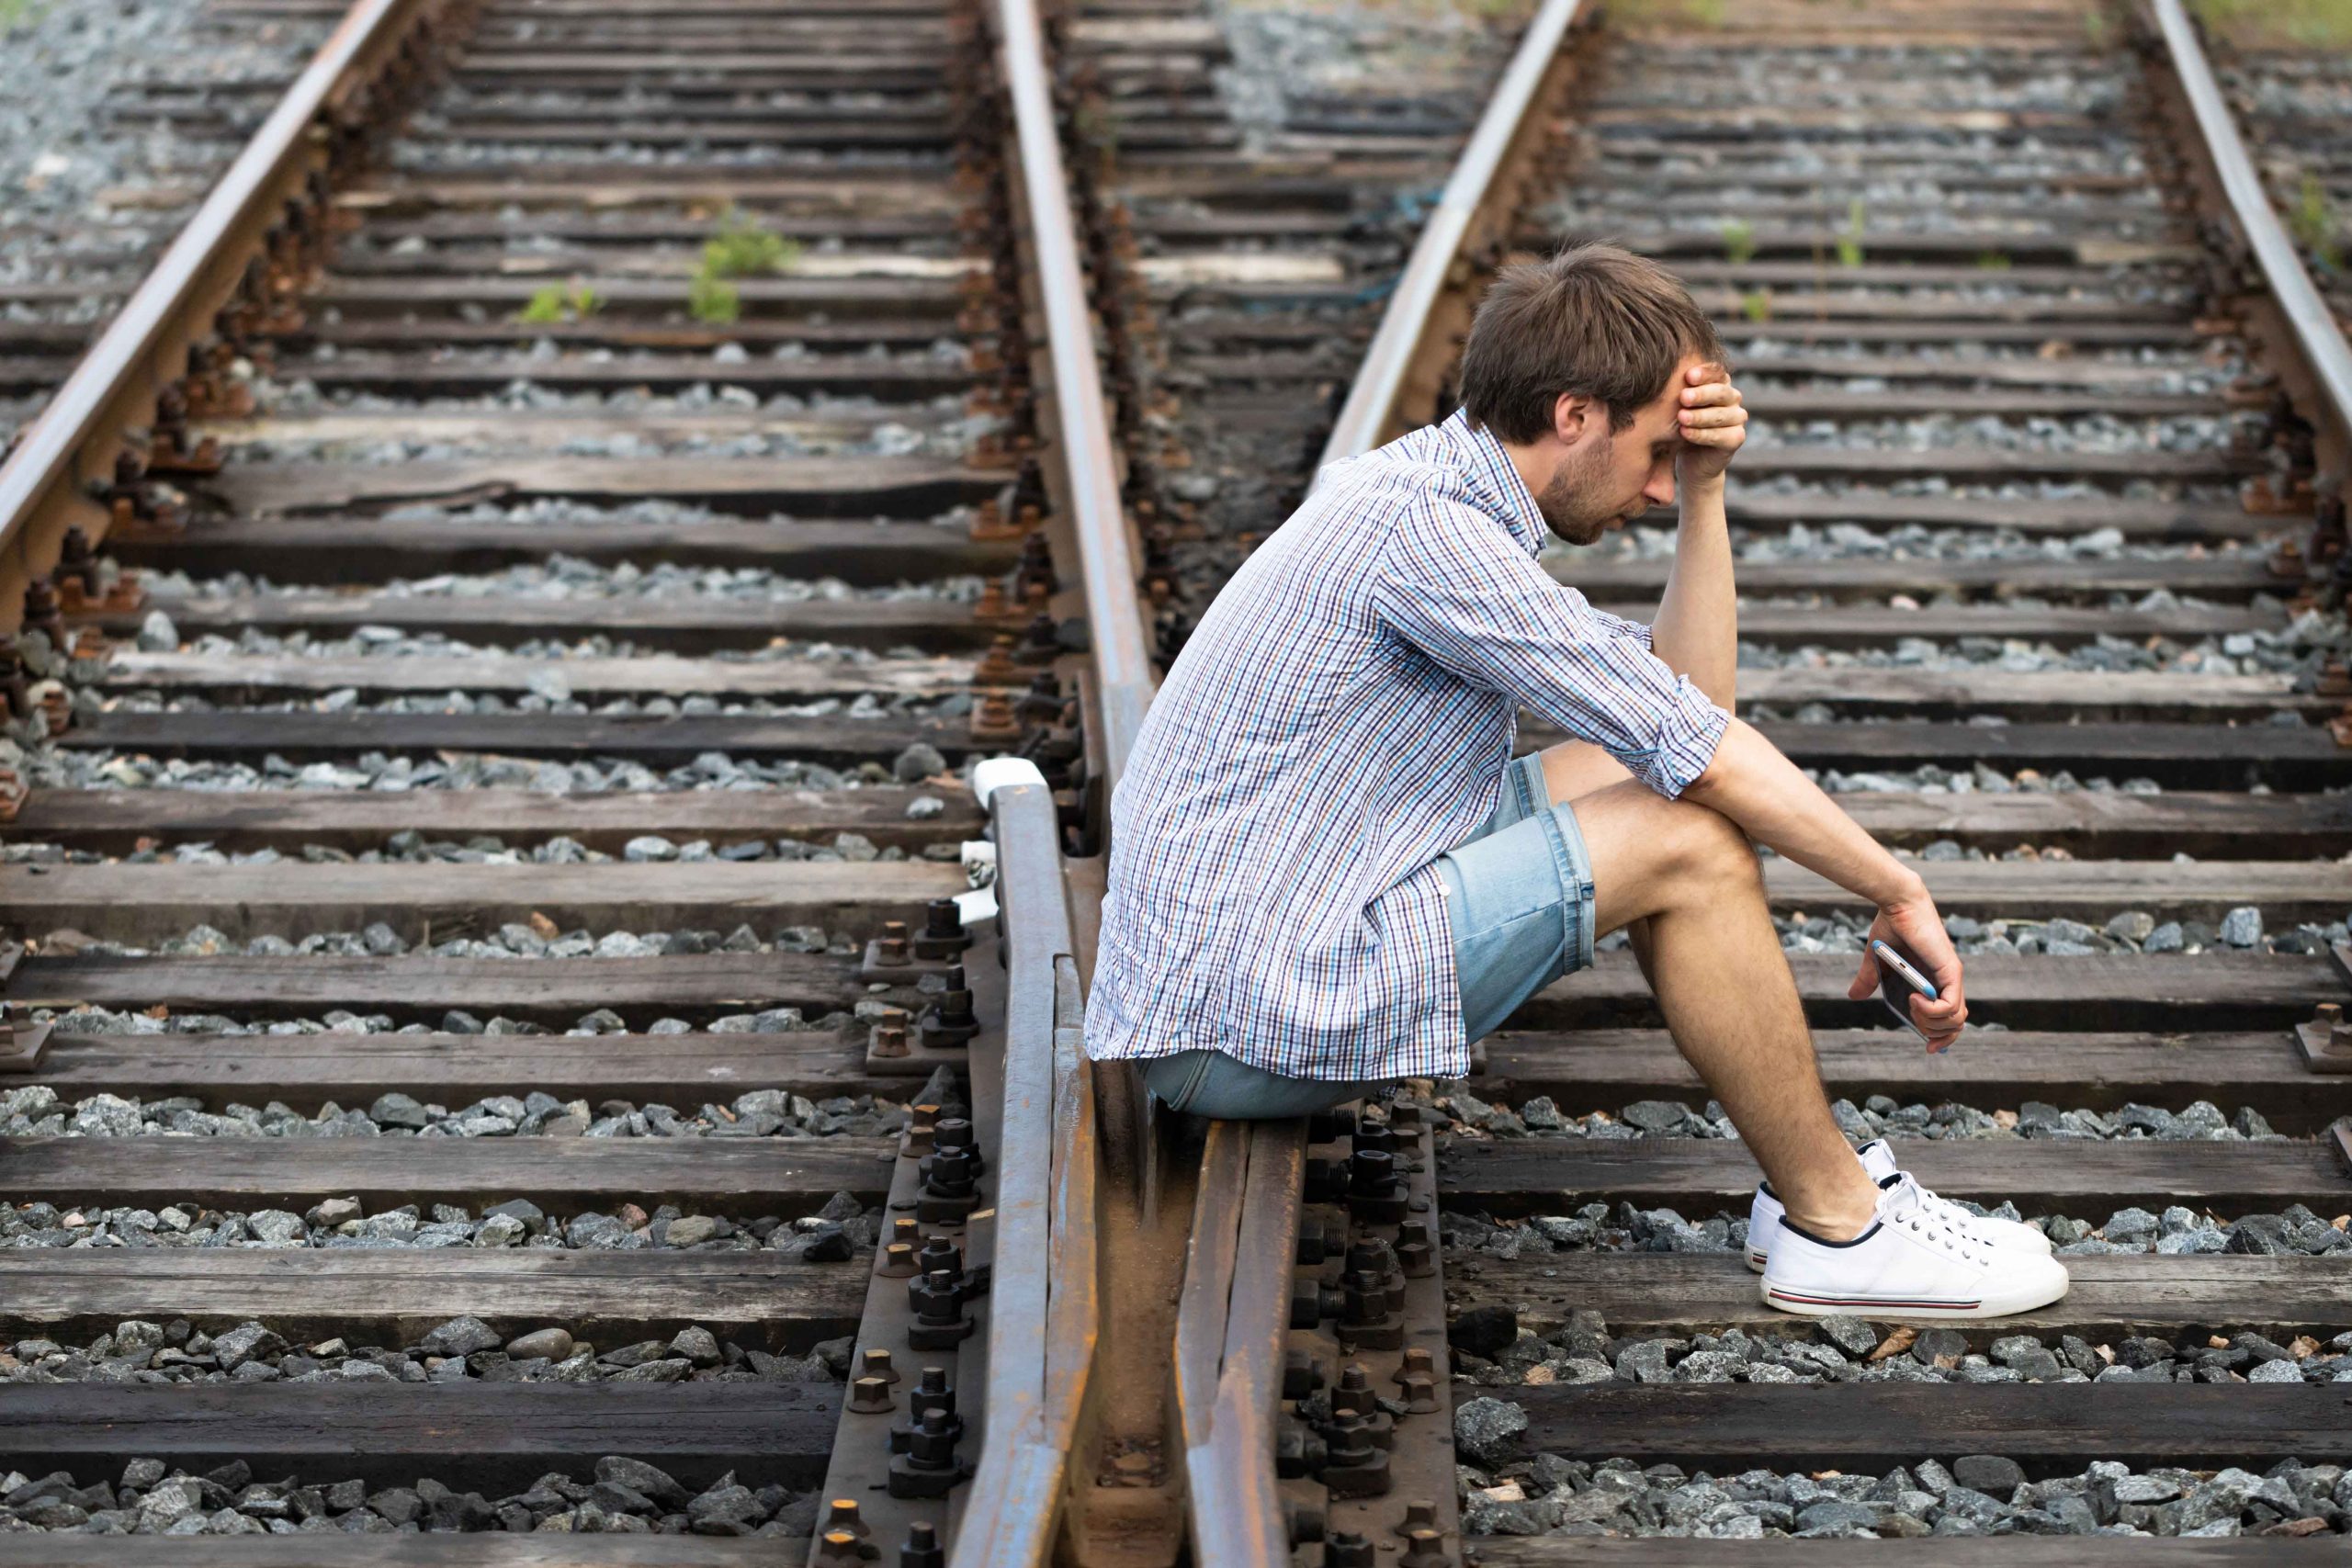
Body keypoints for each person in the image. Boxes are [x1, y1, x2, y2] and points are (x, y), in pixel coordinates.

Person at [1084, 243, 2068, 1318]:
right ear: (1573, 415)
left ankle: (1821, 1205)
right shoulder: (1432, 539)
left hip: (1262, 934)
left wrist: (1705, 494)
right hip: (1235, 1019)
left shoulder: (1419, 487)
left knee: (1652, 775)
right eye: (1654, 451)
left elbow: (1688, 712)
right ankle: (1836, 1222)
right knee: (1688, 843)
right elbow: (1701, 750)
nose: (1655, 482)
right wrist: (1895, 888)